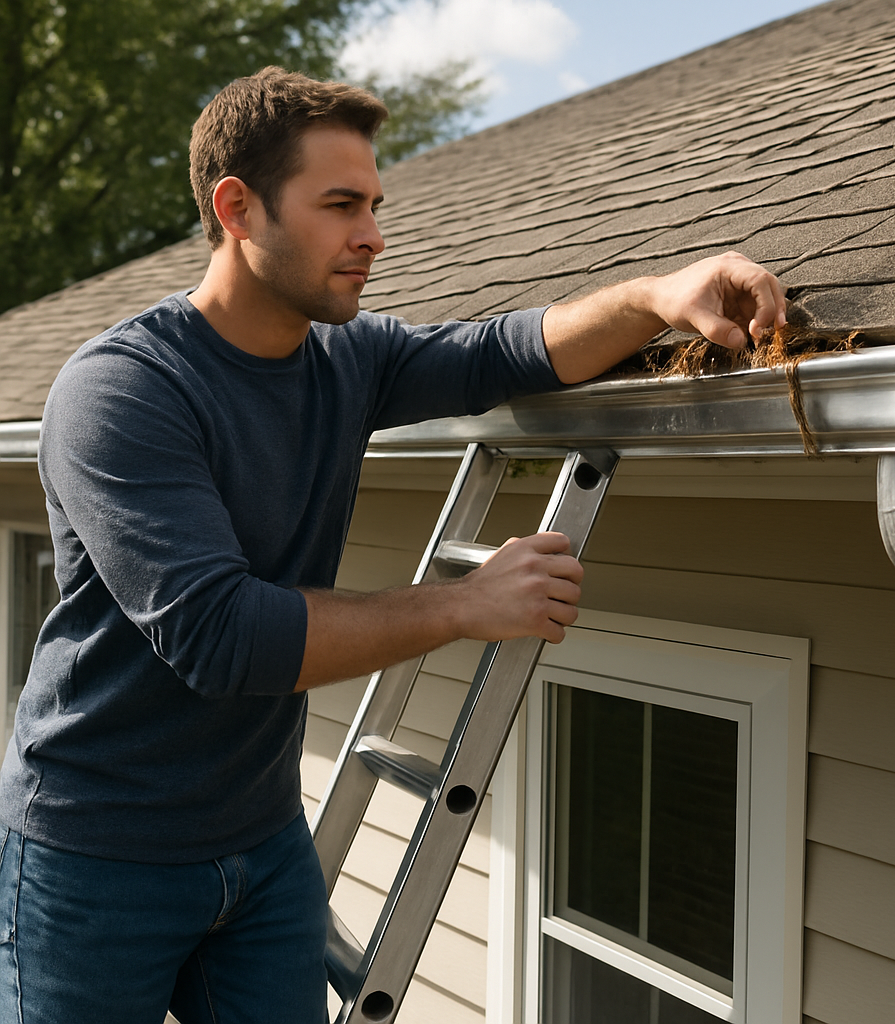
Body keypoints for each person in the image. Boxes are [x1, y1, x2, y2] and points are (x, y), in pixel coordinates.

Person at [0, 67, 786, 1024]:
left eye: (373, 204)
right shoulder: (123, 391)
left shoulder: (346, 358)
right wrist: (462, 603)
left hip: (259, 839)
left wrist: (660, 294)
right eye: (340, 205)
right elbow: (222, 637)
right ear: (238, 209)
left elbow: (507, 351)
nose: (372, 234)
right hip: (96, 856)